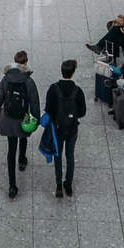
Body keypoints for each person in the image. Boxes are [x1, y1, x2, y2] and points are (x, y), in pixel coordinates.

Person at [0, 52, 40, 200]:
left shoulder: (6, 79)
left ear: (14, 62)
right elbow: (34, 104)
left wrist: (1, 115)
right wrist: (36, 120)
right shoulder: (29, 82)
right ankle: (22, 160)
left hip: (8, 119)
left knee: (10, 149)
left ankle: (12, 186)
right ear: (25, 63)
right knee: (23, 137)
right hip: (23, 119)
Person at [44, 60, 86, 198]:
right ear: (73, 73)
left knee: (58, 155)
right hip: (72, 128)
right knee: (70, 156)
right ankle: (68, 185)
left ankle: (58, 186)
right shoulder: (78, 91)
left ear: (61, 71)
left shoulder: (53, 89)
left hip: (57, 128)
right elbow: (82, 112)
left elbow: (49, 109)